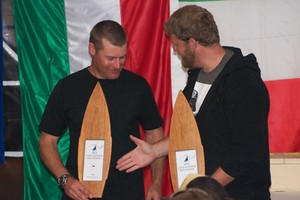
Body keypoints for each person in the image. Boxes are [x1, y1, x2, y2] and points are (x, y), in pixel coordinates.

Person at [116, 5, 271, 200]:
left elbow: (246, 152)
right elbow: (192, 132)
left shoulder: (244, 82)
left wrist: (202, 192)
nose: (174, 51)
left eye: (176, 45)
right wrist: (154, 151)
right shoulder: (196, 75)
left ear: (192, 43)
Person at [39, 20, 166, 200]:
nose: (117, 65)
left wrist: (156, 183)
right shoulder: (67, 88)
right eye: (110, 58)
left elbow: (155, 134)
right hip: (80, 191)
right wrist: (65, 180)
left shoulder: (138, 86)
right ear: (92, 49)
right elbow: (47, 141)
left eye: (122, 57)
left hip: (128, 191)